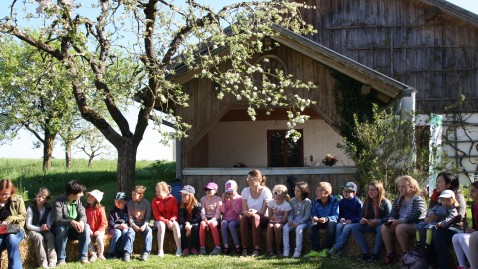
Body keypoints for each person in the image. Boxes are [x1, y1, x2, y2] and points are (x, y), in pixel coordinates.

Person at [380, 175, 426, 265]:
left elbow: (415, 216)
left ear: (411, 187)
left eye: (403, 186)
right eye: (399, 186)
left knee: (400, 228)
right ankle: (391, 254)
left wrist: (399, 221)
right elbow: (393, 213)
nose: (400, 189)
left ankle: (406, 255)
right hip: (401, 223)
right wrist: (391, 220)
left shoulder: (417, 199)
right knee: (384, 227)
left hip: (416, 225)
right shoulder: (399, 199)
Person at [428, 172, 467, 269]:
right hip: (438, 226)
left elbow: (459, 217)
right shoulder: (436, 197)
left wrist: (442, 222)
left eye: (439, 182)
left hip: (455, 228)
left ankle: (442, 266)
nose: (437, 184)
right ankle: (430, 264)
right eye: (436, 182)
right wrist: (430, 216)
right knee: (425, 231)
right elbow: (430, 212)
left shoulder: (457, 197)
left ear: (448, 185)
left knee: (437, 233)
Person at [350, 180, 392, 262]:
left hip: (380, 226)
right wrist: (362, 220)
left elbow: (389, 218)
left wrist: (378, 221)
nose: (370, 192)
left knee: (381, 229)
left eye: (373, 190)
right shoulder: (367, 202)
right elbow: (361, 216)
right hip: (370, 225)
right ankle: (365, 253)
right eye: (369, 189)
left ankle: (375, 255)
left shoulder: (386, 202)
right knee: (355, 227)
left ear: (379, 190)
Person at [52, 179, 91, 265]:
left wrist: (81, 222)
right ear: (73, 193)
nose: (82, 194)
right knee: (62, 229)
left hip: (74, 230)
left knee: (86, 227)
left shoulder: (78, 201)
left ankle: (83, 257)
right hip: (60, 230)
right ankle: (61, 259)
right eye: (80, 192)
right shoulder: (58, 202)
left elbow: (83, 215)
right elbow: (58, 220)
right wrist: (71, 222)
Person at [240, 169, 272, 257]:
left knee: (256, 217)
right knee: (243, 218)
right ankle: (245, 248)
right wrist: (246, 213)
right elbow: (244, 210)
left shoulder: (266, 191)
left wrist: (255, 212)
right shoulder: (245, 191)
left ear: (258, 179)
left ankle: (257, 248)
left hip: (262, 218)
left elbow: (262, 212)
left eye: (250, 179)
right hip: (250, 217)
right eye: (247, 179)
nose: (248, 180)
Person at [326, 181, 362, 257]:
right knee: (339, 226)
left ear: (354, 193)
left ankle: (336, 247)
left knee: (346, 227)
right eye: (344, 191)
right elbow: (339, 214)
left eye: (348, 191)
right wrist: (340, 219)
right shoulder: (342, 202)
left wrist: (352, 220)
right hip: (345, 221)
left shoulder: (358, 202)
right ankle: (339, 250)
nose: (345, 193)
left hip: (354, 222)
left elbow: (360, 216)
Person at [304, 181, 339, 258]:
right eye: (316, 190)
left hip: (329, 221)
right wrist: (315, 217)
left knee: (332, 224)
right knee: (311, 224)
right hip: (319, 221)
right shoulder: (315, 202)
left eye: (319, 190)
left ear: (326, 193)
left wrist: (326, 219)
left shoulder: (334, 201)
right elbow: (314, 213)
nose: (316, 192)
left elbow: (336, 216)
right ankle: (315, 250)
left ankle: (326, 249)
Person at [25, 187, 57, 268]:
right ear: (36, 196)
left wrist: (47, 226)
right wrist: (39, 229)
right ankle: (43, 263)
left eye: (43, 197)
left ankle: (53, 260)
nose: (40, 198)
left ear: (46, 200)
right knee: (38, 237)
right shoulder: (30, 208)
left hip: (43, 229)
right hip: (31, 229)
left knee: (50, 236)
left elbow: (49, 222)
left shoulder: (48, 209)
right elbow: (28, 225)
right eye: (39, 196)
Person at [0, 179, 26, 269]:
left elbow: (23, 215)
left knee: (11, 239)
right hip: (0, 230)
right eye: (2, 194)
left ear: (11, 191)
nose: (4, 196)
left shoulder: (18, 199)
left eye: (6, 194)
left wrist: (9, 219)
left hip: (15, 228)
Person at [452, 181, 478, 269]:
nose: (470, 193)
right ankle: (462, 265)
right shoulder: (474, 206)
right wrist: (471, 229)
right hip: (476, 233)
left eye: (473, 191)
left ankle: (474, 265)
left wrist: (475, 231)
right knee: (456, 237)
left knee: (463, 237)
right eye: (470, 191)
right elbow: (475, 224)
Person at [152, 181, 181, 257]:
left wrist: (171, 220)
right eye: (156, 191)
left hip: (170, 221)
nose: (157, 193)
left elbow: (175, 213)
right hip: (159, 221)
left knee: (176, 224)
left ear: (165, 191)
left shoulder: (173, 199)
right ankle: (160, 250)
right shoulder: (155, 201)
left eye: (159, 191)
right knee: (161, 225)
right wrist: (166, 221)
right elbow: (157, 215)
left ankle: (179, 249)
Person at [283, 181, 311, 258]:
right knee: (285, 228)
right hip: (294, 220)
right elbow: (291, 213)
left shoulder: (307, 202)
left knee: (299, 229)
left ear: (303, 191)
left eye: (298, 191)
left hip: (303, 222)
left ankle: (297, 251)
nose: (295, 192)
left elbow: (307, 216)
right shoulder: (292, 200)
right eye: (295, 190)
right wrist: (290, 220)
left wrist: (299, 222)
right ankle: (286, 250)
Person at [126, 185, 152, 261]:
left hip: (144, 223)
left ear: (141, 196)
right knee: (130, 232)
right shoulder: (130, 204)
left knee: (149, 231)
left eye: (134, 194)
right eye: (132, 194)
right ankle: (127, 252)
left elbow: (148, 217)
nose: (132, 196)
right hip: (134, 224)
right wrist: (134, 226)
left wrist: (145, 225)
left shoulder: (147, 203)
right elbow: (130, 217)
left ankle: (146, 252)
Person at [266, 184, 291, 257]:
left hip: (281, 222)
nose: (273, 194)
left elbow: (284, 219)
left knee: (277, 227)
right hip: (272, 221)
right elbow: (270, 216)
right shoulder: (271, 203)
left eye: (276, 193)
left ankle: (278, 249)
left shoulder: (286, 205)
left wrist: (278, 220)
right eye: (273, 192)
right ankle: (270, 249)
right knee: (270, 226)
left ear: (282, 195)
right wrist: (273, 217)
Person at [199, 182, 222, 255]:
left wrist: (212, 220)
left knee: (212, 224)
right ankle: (202, 247)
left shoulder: (218, 199)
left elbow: (218, 213)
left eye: (210, 189)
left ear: (215, 191)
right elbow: (202, 211)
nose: (208, 191)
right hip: (206, 218)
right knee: (202, 224)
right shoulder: (203, 199)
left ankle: (218, 247)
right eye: (206, 189)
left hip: (215, 218)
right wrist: (204, 219)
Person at [106, 192, 131, 260]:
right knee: (118, 232)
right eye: (116, 201)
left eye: (120, 201)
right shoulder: (113, 210)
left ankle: (121, 251)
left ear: (125, 202)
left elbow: (130, 220)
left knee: (125, 232)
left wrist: (127, 226)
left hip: (124, 227)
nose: (118, 203)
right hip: (113, 227)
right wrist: (118, 226)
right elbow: (110, 222)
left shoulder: (128, 210)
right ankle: (111, 252)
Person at [220, 180, 242, 255]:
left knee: (231, 225)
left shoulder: (239, 198)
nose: (230, 193)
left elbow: (238, 211)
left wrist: (233, 201)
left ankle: (237, 246)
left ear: (236, 188)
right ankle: (226, 246)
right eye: (228, 191)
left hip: (235, 219)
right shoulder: (225, 199)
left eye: (231, 191)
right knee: (223, 223)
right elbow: (223, 211)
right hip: (226, 218)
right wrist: (223, 201)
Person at [178, 185, 201, 255]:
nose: (182, 197)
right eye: (182, 195)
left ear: (190, 196)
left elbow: (197, 218)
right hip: (185, 223)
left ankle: (194, 247)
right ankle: (185, 247)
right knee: (180, 227)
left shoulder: (198, 205)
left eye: (185, 195)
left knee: (196, 226)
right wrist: (187, 224)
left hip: (193, 223)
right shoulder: (181, 205)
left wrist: (190, 226)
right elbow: (180, 217)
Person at [85, 189, 107, 262]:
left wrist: (99, 231)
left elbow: (104, 222)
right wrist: (89, 230)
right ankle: (93, 254)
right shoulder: (86, 210)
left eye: (92, 197)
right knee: (87, 238)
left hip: (99, 230)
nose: (89, 198)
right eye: (89, 196)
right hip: (90, 230)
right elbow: (85, 221)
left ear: (96, 200)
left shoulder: (100, 209)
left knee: (99, 238)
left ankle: (101, 254)